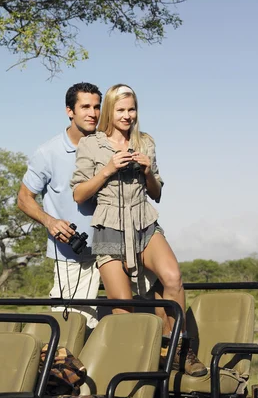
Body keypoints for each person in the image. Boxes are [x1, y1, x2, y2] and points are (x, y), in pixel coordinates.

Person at [70, 84, 207, 376]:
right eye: (121, 110)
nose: (127, 115)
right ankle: (132, 371)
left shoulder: (146, 142)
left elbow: (156, 193)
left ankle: (179, 349)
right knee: (124, 309)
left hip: (144, 223)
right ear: (110, 110)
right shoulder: (91, 144)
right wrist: (107, 170)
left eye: (131, 109)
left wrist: (146, 171)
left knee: (173, 277)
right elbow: (79, 194)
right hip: (108, 228)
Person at [17, 83, 102, 329]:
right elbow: (24, 198)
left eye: (97, 107)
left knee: (130, 316)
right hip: (71, 256)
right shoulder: (48, 152)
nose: (92, 113)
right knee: (70, 327)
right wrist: (51, 222)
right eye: (85, 106)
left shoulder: (107, 144)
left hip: (112, 250)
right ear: (69, 111)